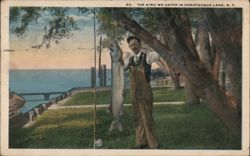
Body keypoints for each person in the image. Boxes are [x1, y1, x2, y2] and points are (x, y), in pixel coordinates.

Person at [124, 36, 159, 149]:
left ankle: (153, 145)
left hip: (145, 92)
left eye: (135, 44)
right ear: (129, 46)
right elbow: (121, 67)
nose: (133, 47)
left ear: (140, 44)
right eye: (131, 45)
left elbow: (159, 53)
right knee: (137, 118)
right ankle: (141, 143)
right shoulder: (128, 60)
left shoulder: (147, 57)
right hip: (134, 92)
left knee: (147, 118)